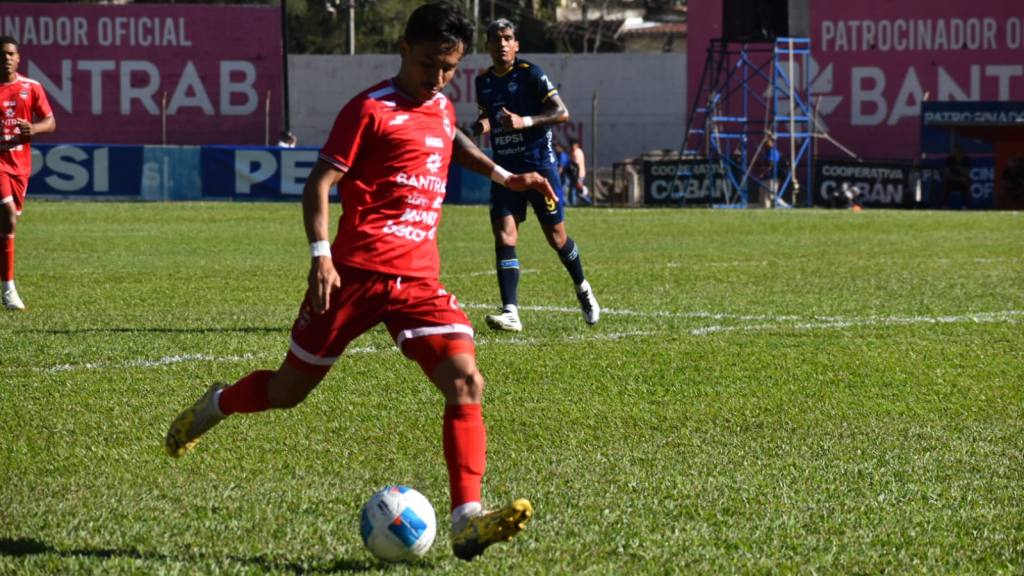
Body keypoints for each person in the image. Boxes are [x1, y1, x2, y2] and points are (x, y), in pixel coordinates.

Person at [164, 2, 546, 562]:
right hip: (353, 276)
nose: (437, 79)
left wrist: (506, 175)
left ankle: (467, 519)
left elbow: (454, 138)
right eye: (428, 66)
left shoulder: (439, 107)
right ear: (404, 50)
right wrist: (321, 255)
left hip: (417, 279)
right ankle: (214, 405)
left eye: (449, 69)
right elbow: (319, 183)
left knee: (467, 383)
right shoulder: (368, 109)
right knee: (286, 392)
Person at [472, 18, 599, 333]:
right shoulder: (483, 81)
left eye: (507, 38)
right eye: (495, 39)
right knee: (504, 235)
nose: (502, 44)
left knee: (557, 239)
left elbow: (561, 112)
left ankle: (583, 288)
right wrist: (476, 129)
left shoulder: (532, 75)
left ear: (516, 45)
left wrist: (525, 121)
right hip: (505, 170)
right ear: (487, 45)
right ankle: (511, 310)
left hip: (540, 168)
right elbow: (488, 117)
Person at [0, 36, 56, 310]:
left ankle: (7, 285)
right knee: (8, 217)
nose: (7, 58)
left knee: (8, 225)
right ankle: (9, 290)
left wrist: (33, 129)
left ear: (18, 58)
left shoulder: (31, 87)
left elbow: (50, 121)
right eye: (2, 54)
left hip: (19, 166)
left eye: (11, 53)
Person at [567, 138, 592, 205]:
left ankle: (588, 202)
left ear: (577, 145)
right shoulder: (573, 152)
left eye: (573, 145)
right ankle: (587, 202)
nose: (572, 146)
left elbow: (576, 166)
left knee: (577, 190)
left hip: (578, 175)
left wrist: (576, 178)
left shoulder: (577, 152)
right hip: (576, 174)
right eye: (571, 145)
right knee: (576, 190)